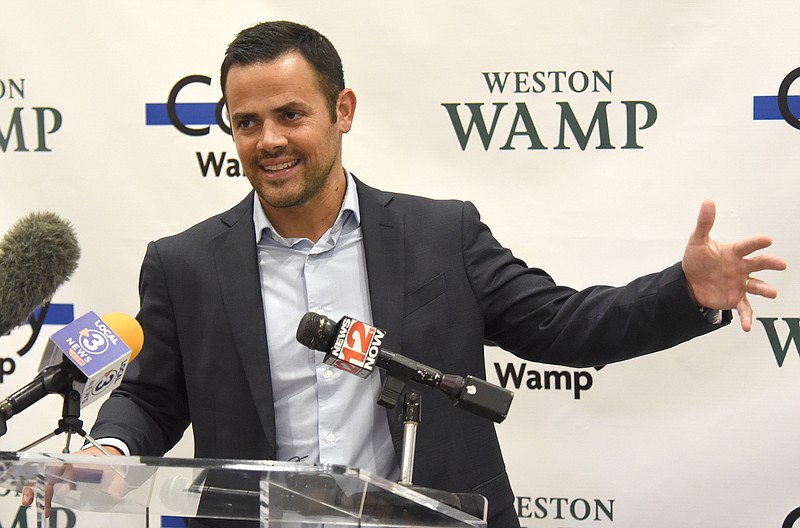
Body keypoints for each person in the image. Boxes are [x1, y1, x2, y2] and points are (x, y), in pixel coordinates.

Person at [23, 20, 786, 527]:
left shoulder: (439, 234)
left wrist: (683, 291)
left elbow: (562, 325)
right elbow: (152, 397)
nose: (268, 141)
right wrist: (113, 448)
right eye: (247, 122)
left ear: (342, 109)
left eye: (291, 115)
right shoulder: (185, 262)